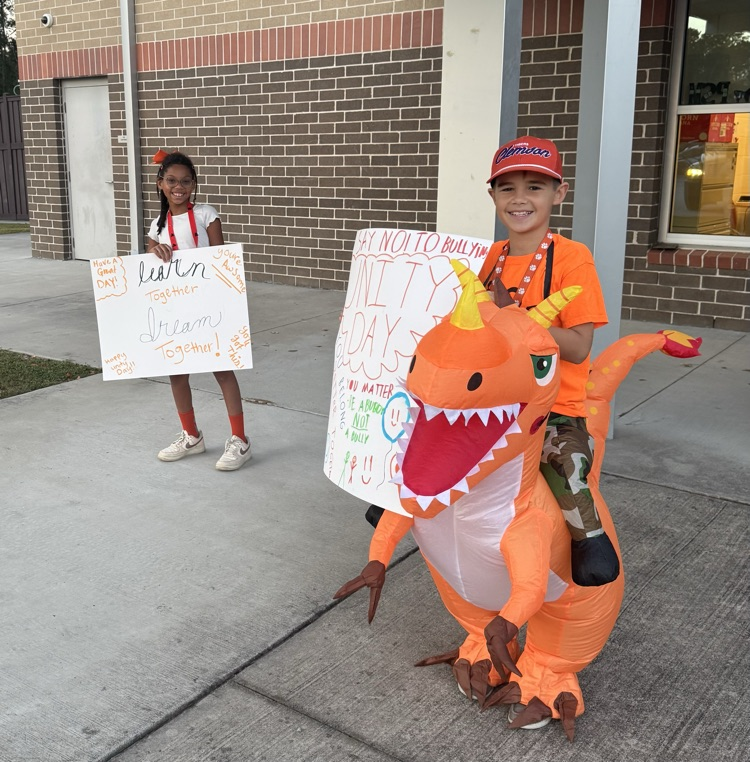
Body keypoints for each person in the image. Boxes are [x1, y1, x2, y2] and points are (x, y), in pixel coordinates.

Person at [477, 135, 619, 587]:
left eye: (535, 187)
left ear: (559, 193)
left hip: (555, 403)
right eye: (507, 187)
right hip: (497, 396)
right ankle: (398, 499)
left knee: (564, 460)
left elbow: (578, 347)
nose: (519, 198)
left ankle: (589, 538)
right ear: (493, 195)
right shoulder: (489, 257)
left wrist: (513, 318)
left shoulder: (573, 258)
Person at [147, 150, 252, 472]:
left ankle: (240, 440)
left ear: (194, 184)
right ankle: (191, 435)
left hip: (208, 305)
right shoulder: (156, 226)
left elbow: (220, 258)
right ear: (160, 184)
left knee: (222, 369)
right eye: (172, 181)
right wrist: (155, 248)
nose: (179, 187)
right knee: (177, 372)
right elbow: (150, 254)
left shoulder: (207, 214)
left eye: (186, 181)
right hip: (176, 310)